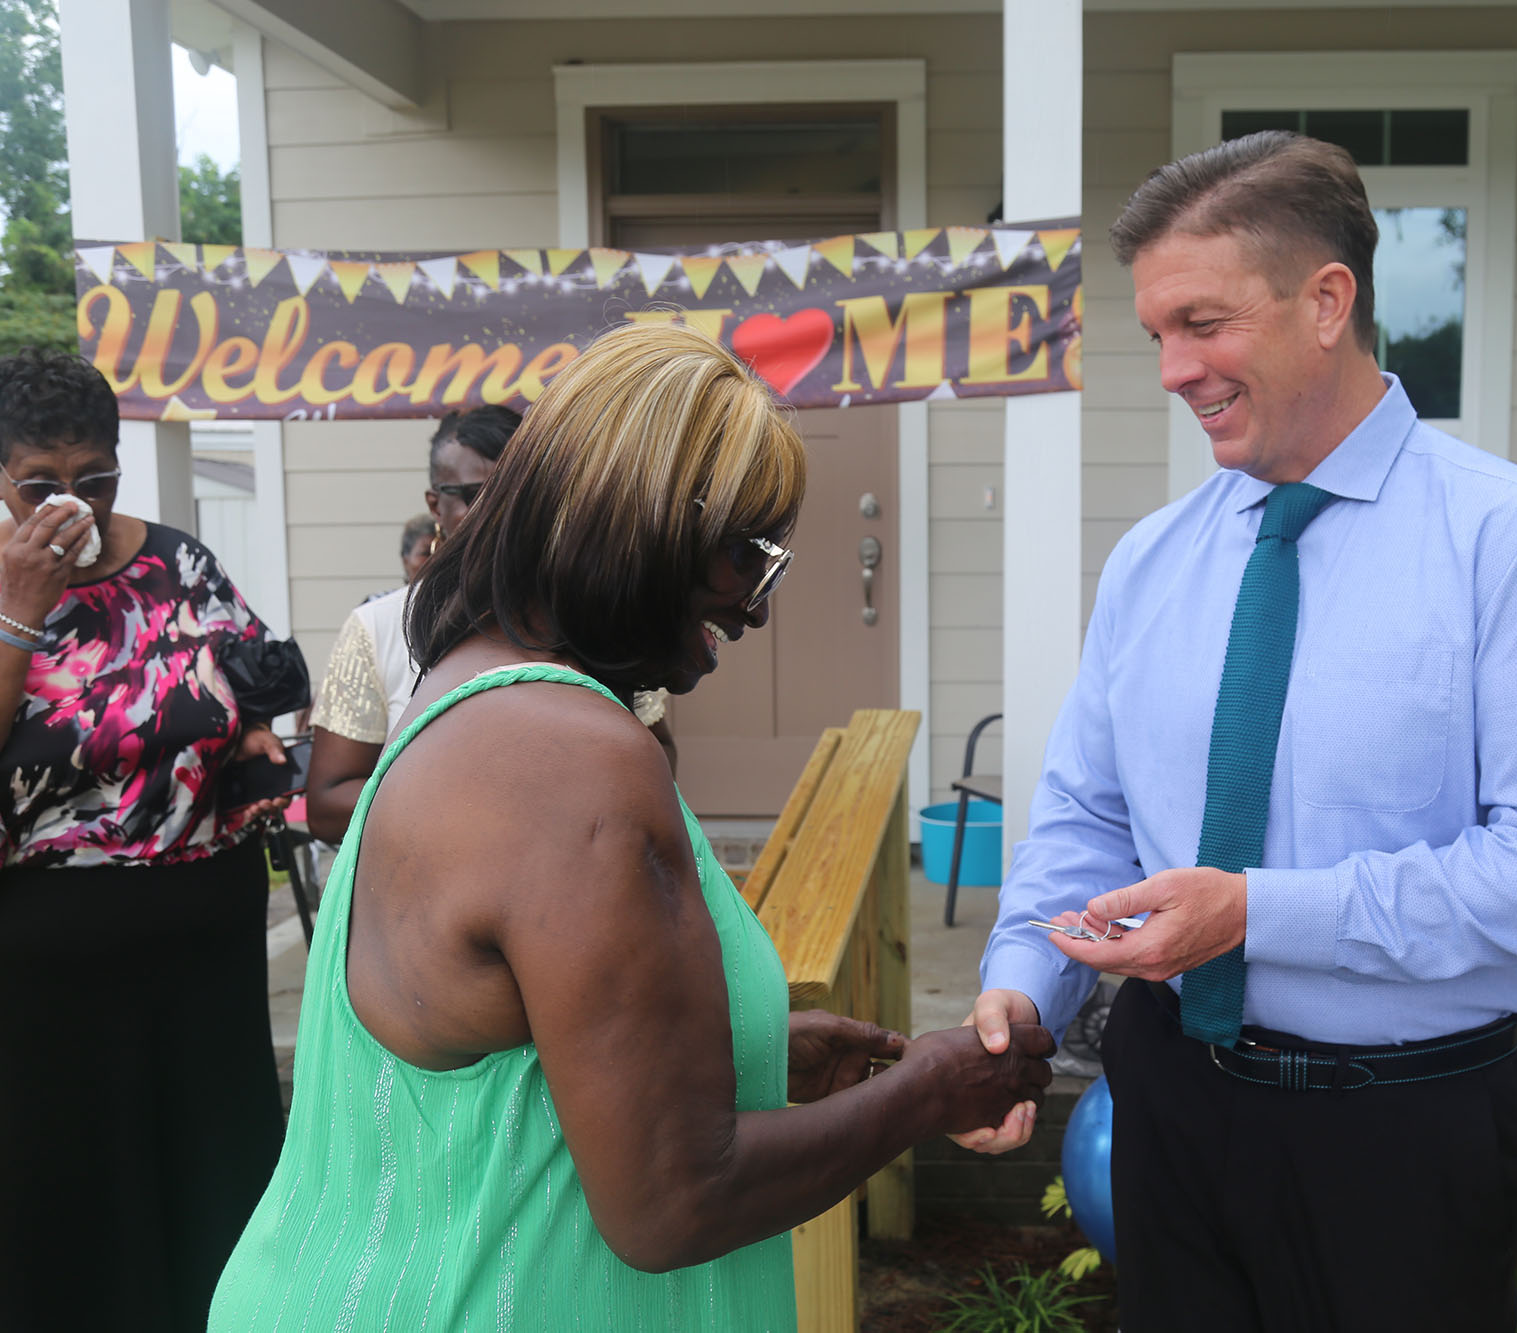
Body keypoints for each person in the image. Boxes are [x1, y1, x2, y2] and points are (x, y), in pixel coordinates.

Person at [210, 321, 1054, 1330]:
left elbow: (500, 1039)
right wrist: (927, 1090)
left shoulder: (472, 690)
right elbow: (671, 1200)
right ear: (643, 523)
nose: (755, 609)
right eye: (748, 556)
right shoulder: (569, 757)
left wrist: (741, 1047)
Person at [961, 131, 1517, 1331]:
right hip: (1169, 1097)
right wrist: (1022, 989)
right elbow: (1088, 814)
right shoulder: (1150, 560)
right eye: (1156, 337)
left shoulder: (1514, 543)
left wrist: (1256, 913)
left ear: (1325, 301)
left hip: (1400, 1133)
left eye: (1202, 324)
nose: (1172, 369)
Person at [0, 349, 295, 1332]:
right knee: (66, 1203)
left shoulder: (180, 563)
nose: (71, 503)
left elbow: (245, 688)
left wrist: (252, 738)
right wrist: (21, 611)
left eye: (95, 478)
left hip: (203, 944)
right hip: (44, 965)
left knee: (213, 1188)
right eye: (40, 483)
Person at [304, 406, 520, 845]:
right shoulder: (378, 627)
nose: (497, 513)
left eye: (514, 492)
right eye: (473, 494)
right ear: (434, 503)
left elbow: (653, 752)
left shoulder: (582, 615)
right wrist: (476, 807)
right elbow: (326, 806)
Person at [399, 511, 438, 584]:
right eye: (426, 554)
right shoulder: (385, 596)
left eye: (440, 554)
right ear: (406, 561)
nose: (434, 561)